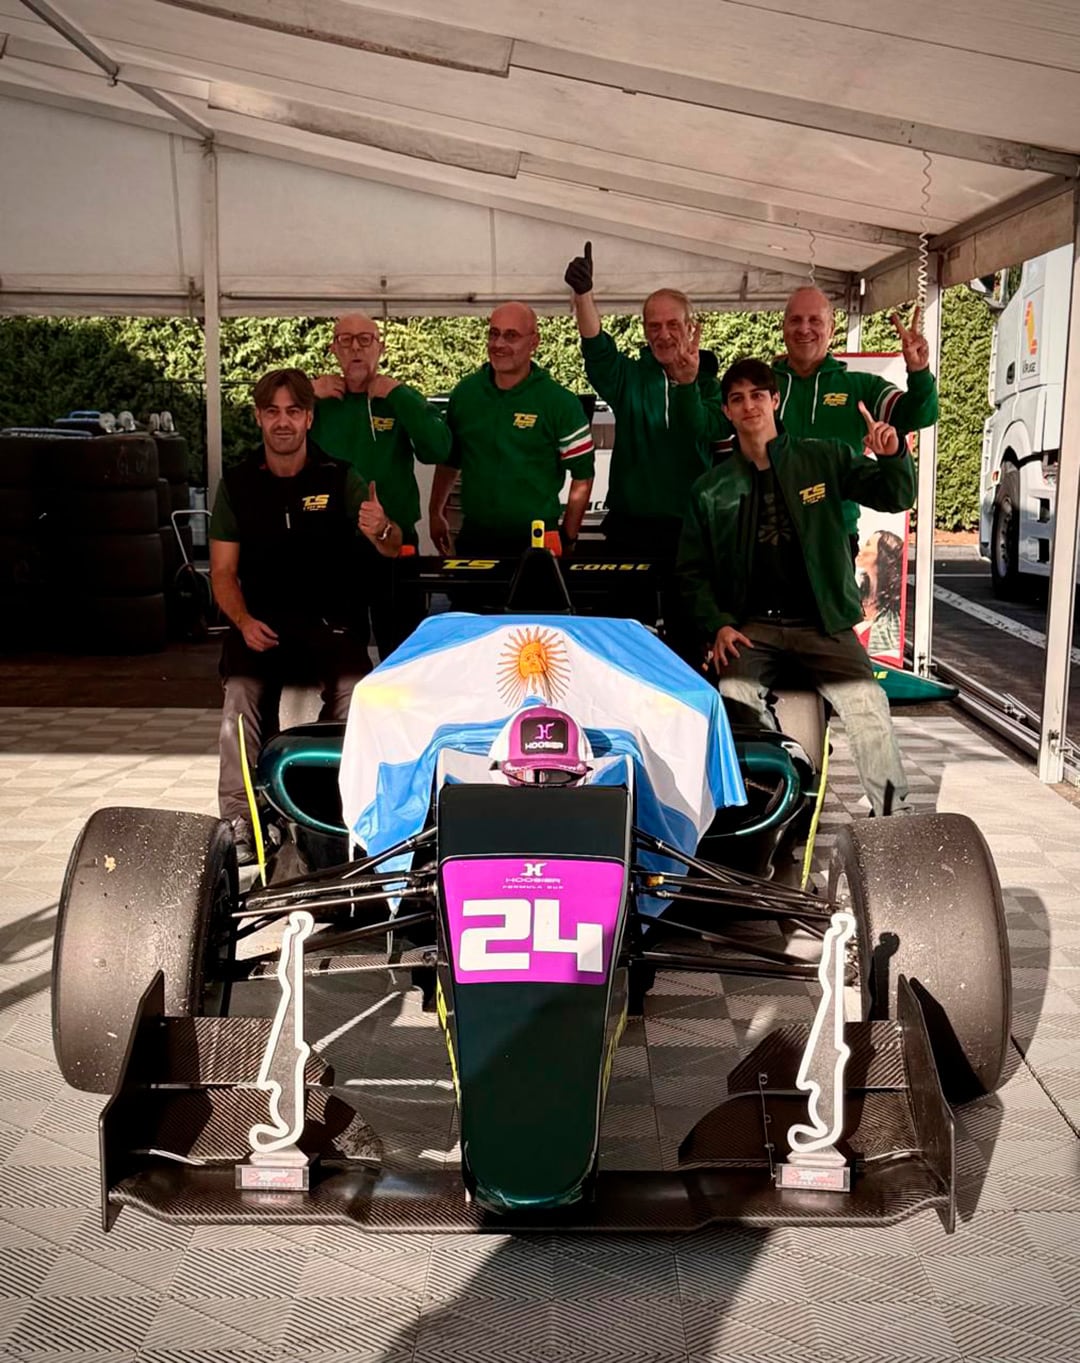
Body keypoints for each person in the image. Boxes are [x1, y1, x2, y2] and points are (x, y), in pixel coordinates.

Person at [677, 358, 915, 817]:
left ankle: (891, 815)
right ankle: (780, 794)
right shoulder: (710, 489)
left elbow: (895, 496)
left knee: (867, 702)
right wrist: (720, 625)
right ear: (726, 411)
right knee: (736, 697)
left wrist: (892, 456)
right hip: (752, 629)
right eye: (737, 398)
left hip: (824, 623)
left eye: (758, 395)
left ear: (775, 400)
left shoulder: (822, 456)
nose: (749, 406)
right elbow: (691, 572)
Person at [210, 367, 403, 863]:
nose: (282, 422)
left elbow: (391, 547)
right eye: (272, 411)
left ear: (308, 418)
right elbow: (223, 573)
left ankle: (333, 806)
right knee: (238, 697)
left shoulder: (340, 476)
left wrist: (382, 529)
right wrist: (243, 621)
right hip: (261, 625)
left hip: (329, 622)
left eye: (293, 411)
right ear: (258, 417)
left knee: (358, 694)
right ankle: (241, 822)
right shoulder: (235, 485)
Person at [669, 285, 938, 558]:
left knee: (827, 602)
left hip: (832, 533)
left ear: (831, 330)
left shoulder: (860, 386)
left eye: (815, 320)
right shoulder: (760, 387)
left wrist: (918, 371)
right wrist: (688, 383)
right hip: (762, 533)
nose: (804, 329)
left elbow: (919, 415)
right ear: (783, 327)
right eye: (795, 320)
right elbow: (703, 427)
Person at [563, 241, 718, 555]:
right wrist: (584, 295)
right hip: (629, 528)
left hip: (691, 528)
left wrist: (688, 385)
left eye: (673, 325)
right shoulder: (630, 379)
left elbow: (702, 431)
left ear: (691, 328)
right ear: (645, 331)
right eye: (654, 326)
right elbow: (597, 350)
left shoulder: (712, 388)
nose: (663, 335)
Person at [311, 311, 451, 655]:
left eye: (365, 340)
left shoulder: (398, 398)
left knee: (403, 649)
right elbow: (274, 435)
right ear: (333, 349)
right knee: (340, 653)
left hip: (395, 541)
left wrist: (400, 394)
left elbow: (439, 449)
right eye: (346, 340)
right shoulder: (315, 401)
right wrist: (305, 393)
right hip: (333, 546)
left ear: (380, 348)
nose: (356, 349)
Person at [428, 301, 594, 558]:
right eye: (494, 334)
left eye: (511, 335)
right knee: (467, 600)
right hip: (476, 537)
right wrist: (435, 512)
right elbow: (450, 460)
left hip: (537, 540)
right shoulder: (465, 394)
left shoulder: (560, 402)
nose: (499, 344)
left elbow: (583, 475)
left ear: (534, 342)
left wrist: (569, 537)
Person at [856, 527, 904, 656]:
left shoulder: (894, 611)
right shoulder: (856, 595)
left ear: (881, 555)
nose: (861, 548)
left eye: (868, 544)